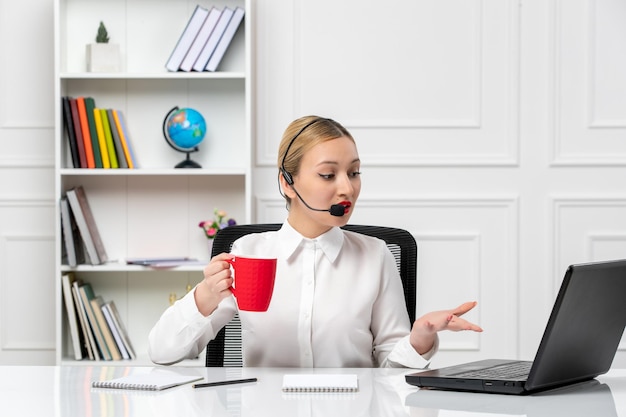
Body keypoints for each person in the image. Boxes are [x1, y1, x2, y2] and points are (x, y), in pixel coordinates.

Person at [148, 116, 482, 367]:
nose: (347, 189)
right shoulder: (248, 253)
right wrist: (204, 297)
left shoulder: (375, 255)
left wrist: (420, 338)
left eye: (354, 173)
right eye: (328, 174)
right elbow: (162, 352)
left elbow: (389, 372)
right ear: (287, 183)